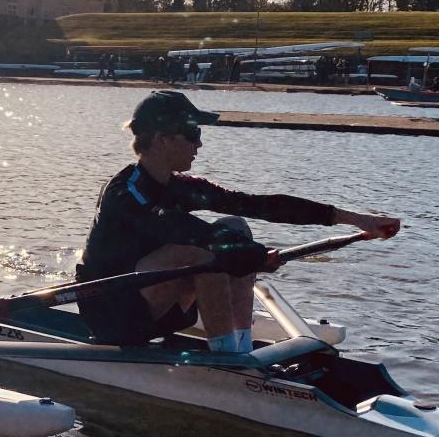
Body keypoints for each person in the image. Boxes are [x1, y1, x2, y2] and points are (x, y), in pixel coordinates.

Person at [76, 91, 400, 353]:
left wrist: (358, 220)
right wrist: (253, 254)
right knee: (203, 253)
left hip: (157, 310)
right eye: (192, 133)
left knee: (236, 226)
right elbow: (177, 229)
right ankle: (228, 357)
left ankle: (239, 345)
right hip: (112, 315)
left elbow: (259, 205)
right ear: (161, 139)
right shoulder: (124, 193)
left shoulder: (182, 186)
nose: (199, 144)